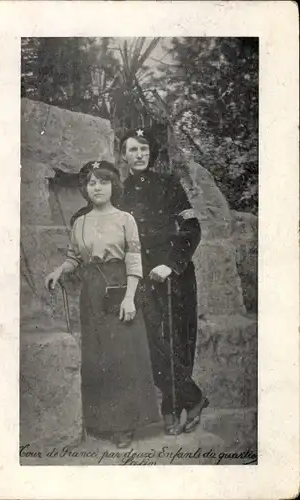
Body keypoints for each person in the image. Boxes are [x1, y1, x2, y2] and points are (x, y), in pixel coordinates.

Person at [45, 160, 160, 449]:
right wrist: (60, 270)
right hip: (92, 291)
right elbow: (75, 257)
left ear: (113, 185)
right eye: (92, 182)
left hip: (120, 286)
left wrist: (130, 297)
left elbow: (134, 260)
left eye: (103, 181)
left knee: (123, 356)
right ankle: (101, 421)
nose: (97, 187)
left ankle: (124, 425)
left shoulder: (125, 219)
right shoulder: (80, 222)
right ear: (85, 188)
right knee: (98, 356)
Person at [118, 128, 209, 435]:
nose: (139, 154)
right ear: (124, 155)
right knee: (152, 345)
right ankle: (193, 397)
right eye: (133, 150)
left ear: (151, 153)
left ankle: (174, 407)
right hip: (141, 278)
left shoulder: (169, 185)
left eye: (144, 149)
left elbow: (192, 228)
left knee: (177, 343)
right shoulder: (121, 191)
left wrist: (171, 265)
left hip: (174, 276)